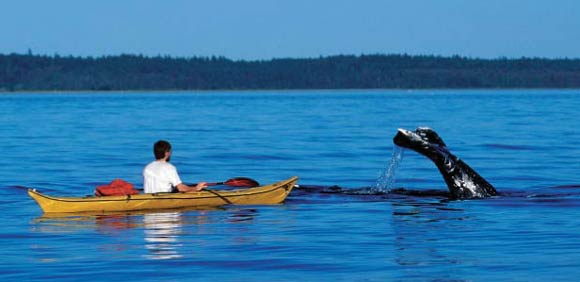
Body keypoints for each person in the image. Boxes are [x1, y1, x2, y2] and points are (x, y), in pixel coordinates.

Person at [143, 140, 207, 193]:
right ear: (166, 153)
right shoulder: (169, 167)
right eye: (170, 151)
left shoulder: (147, 167)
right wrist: (196, 188)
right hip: (164, 199)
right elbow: (181, 188)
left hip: (148, 197)